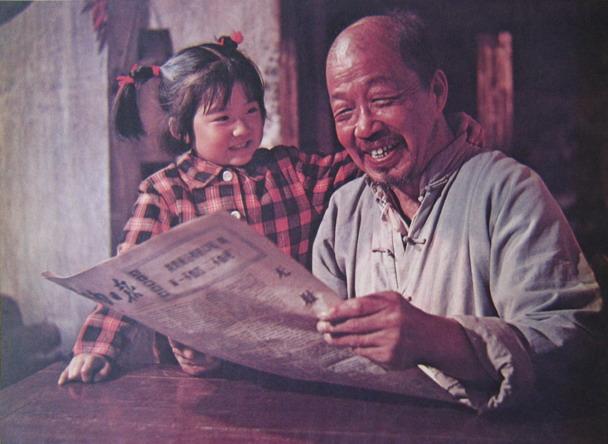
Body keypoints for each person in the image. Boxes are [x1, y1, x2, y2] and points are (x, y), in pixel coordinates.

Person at [56, 32, 485, 385]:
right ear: (183, 128)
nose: (243, 128)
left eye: (252, 111)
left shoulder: (289, 171)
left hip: (292, 372)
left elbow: (362, 159)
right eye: (222, 118)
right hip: (203, 379)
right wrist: (96, 349)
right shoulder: (164, 193)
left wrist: (439, 132)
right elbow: (125, 283)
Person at [312, 12, 603, 412]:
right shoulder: (344, 211)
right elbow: (320, 352)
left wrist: (439, 340)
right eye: (344, 112)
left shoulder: (507, 191)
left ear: (436, 92)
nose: (364, 128)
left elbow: (574, 347)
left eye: (381, 100)